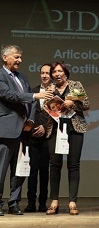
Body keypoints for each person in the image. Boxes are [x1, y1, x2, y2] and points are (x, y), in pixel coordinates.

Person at [0, 45, 53, 216]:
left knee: (19, 169)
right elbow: (8, 95)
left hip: (23, 131)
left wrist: (30, 120)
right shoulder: (0, 76)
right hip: (6, 129)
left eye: (20, 57)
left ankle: (14, 202)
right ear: (4, 57)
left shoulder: (22, 77)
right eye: (16, 57)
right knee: (1, 169)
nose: (20, 61)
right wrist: (34, 96)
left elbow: (29, 102)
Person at [45, 62, 90, 216]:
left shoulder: (75, 85)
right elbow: (44, 107)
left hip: (74, 128)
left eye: (60, 71)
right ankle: (54, 201)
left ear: (65, 72)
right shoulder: (49, 88)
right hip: (55, 129)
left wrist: (73, 103)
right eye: (54, 72)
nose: (57, 74)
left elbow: (86, 104)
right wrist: (51, 102)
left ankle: (72, 201)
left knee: (73, 165)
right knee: (55, 165)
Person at [24, 63, 52, 213]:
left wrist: (45, 127)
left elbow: (57, 115)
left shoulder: (55, 93)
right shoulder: (33, 91)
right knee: (32, 170)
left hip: (48, 137)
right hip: (33, 136)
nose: (45, 75)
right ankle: (30, 202)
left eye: (47, 73)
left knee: (44, 171)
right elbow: (28, 112)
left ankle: (42, 203)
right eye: (42, 73)